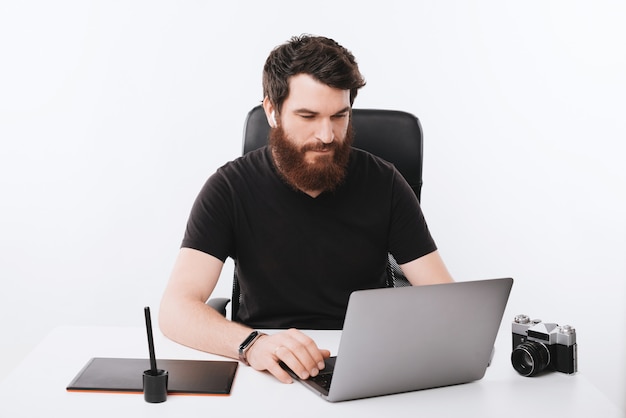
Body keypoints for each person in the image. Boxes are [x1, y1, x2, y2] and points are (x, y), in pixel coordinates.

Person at [159, 34, 454, 384]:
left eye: (339, 116)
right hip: (264, 362)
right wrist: (251, 344)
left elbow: (446, 302)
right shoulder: (229, 188)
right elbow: (175, 309)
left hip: (364, 362)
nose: (327, 135)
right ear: (272, 111)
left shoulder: (384, 182)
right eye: (308, 116)